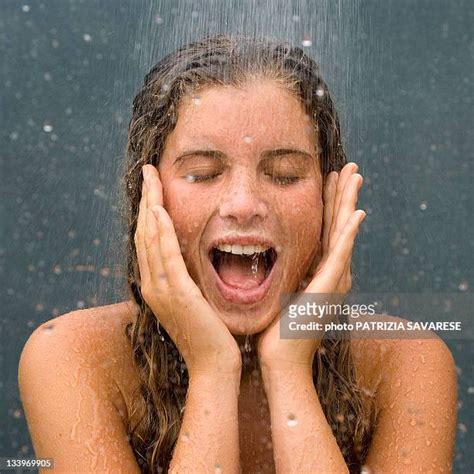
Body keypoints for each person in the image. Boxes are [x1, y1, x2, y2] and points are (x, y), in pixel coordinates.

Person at [18, 34, 457, 473]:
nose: (244, 204)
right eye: (204, 174)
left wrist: (289, 370)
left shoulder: (408, 360)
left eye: (284, 175)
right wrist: (212, 372)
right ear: (147, 201)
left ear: (330, 198)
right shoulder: (72, 358)